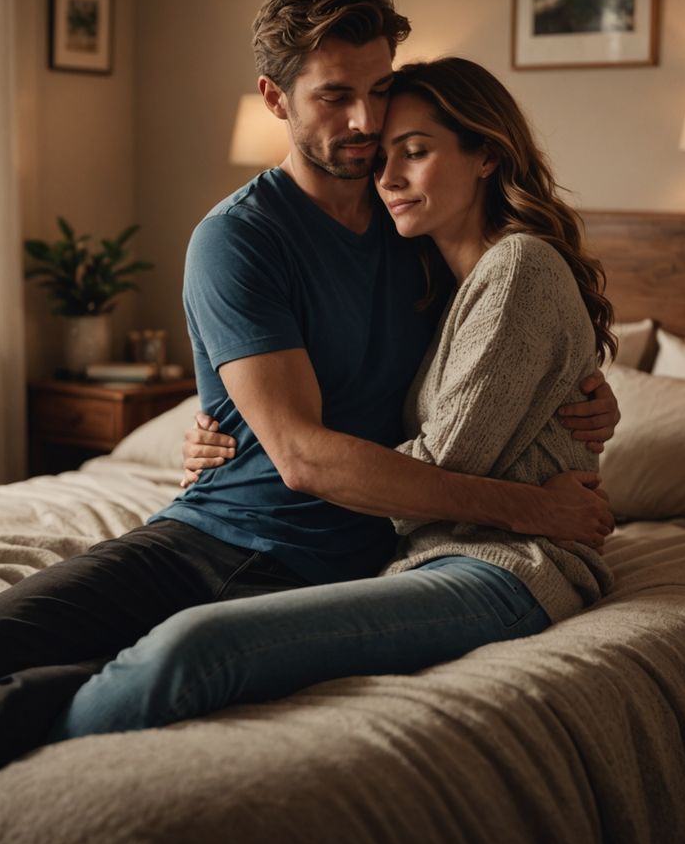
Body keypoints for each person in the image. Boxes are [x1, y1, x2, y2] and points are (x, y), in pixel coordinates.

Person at [0, 0, 616, 844]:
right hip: (201, 528)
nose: (364, 125)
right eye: (333, 96)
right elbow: (300, 449)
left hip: (320, 556)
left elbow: (503, 339)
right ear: (274, 97)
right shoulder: (241, 237)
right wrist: (536, 505)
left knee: (35, 693)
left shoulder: (414, 222)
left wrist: (588, 387)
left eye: (379, 94)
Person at [49, 55, 617, 740]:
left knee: (188, 652)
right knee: (131, 643)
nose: (388, 178)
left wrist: (295, 456)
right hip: (429, 560)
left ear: (487, 155)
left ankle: (35, 754)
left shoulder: (517, 268)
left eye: (416, 152)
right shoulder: (433, 277)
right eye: (384, 156)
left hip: (508, 570)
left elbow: (440, 468)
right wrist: (257, 441)